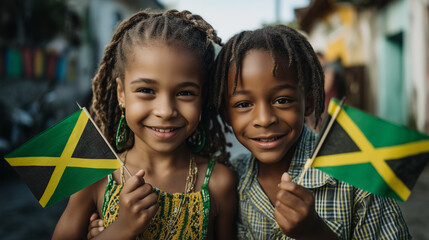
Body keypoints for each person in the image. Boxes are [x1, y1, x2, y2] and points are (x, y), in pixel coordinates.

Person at [52, 9, 237, 240]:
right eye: (146, 90)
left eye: (185, 93)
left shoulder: (219, 184)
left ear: (203, 97)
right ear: (121, 93)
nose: (165, 111)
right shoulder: (95, 176)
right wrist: (121, 229)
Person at [211, 25, 411, 239]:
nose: (264, 119)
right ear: (226, 113)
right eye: (243, 104)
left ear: (308, 103)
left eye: (282, 100)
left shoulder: (357, 174)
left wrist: (315, 232)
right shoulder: (230, 179)